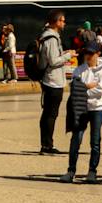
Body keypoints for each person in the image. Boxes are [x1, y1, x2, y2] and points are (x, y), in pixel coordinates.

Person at [63, 40, 102, 183]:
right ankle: (71, 171)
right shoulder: (79, 69)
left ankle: (92, 171)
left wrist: (83, 88)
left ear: (98, 54)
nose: (88, 56)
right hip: (81, 108)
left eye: (91, 53)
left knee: (95, 141)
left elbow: (101, 90)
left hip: (97, 109)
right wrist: (88, 87)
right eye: (86, 53)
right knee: (76, 139)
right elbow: (75, 89)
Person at [37, 12, 67, 155]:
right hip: (53, 81)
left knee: (49, 114)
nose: (64, 23)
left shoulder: (49, 37)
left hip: (51, 79)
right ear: (55, 22)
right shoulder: (51, 38)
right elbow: (54, 61)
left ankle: (47, 144)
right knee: (50, 114)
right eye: (62, 21)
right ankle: (47, 146)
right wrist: (68, 56)